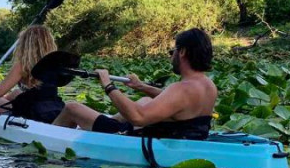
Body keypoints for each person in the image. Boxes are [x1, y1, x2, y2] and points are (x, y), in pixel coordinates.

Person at [52, 28, 217, 139]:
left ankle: (45, 136)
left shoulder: (181, 88)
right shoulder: (208, 85)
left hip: (133, 136)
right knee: (145, 101)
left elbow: (138, 118)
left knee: (72, 108)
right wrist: (142, 87)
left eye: (172, 51)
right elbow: (177, 103)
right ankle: (97, 122)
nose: (171, 56)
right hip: (183, 136)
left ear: (182, 52)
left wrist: (108, 85)